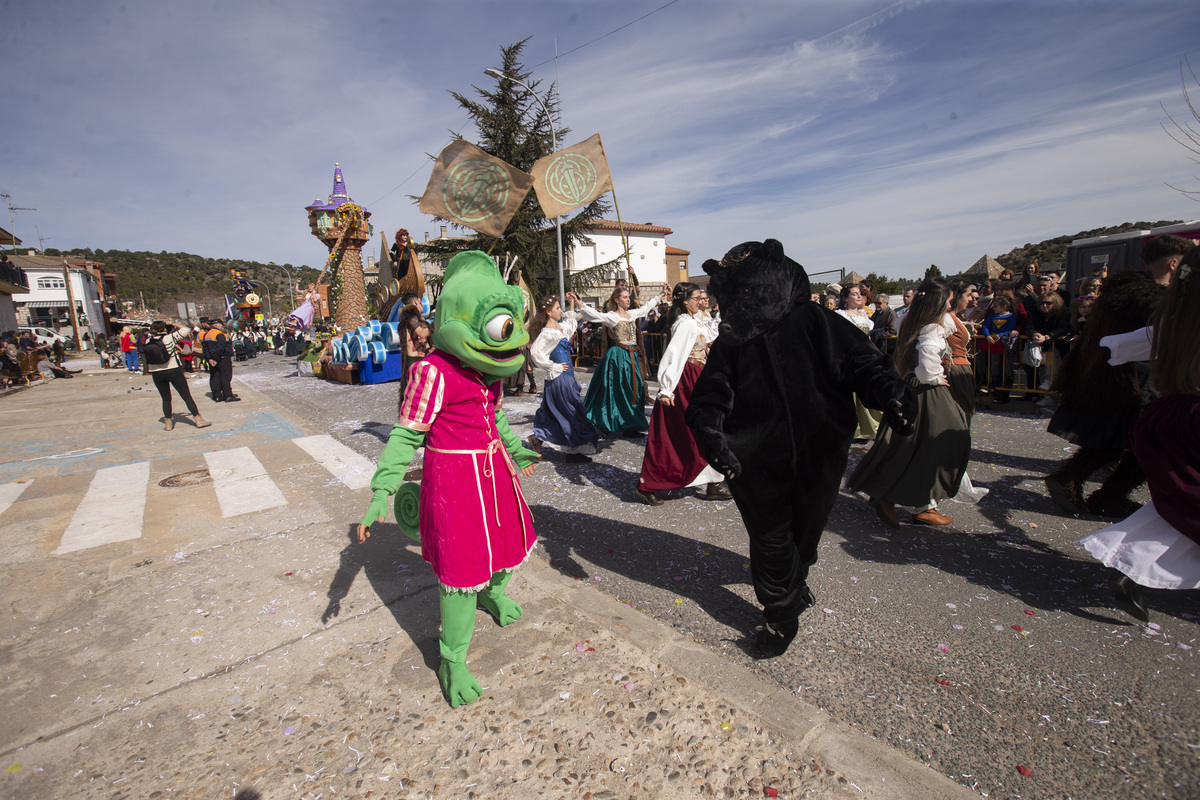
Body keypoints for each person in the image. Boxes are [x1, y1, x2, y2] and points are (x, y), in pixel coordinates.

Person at [686, 239, 916, 658]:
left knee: (806, 536)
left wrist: (892, 394)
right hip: (754, 456)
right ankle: (779, 615)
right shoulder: (732, 342)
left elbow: (862, 362)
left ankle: (795, 582)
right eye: (735, 294)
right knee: (771, 537)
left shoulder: (816, 322)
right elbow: (710, 395)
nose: (741, 302)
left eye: (749, 292)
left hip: (820, 448)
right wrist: (711, 433)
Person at [356, 251, 540, 708]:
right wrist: (383, 490)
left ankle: (494, 594)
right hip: (455, 481)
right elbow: (405, 435)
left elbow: (493, 418)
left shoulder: (486, 372)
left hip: (494, 472)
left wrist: (515, 449)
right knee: (460, 571)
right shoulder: (432, 372)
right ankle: (452, 658)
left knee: (507, 543)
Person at [1079, 245, 1200, 623]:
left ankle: (1131, 567)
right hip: (1186, 413)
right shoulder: (1174, 315)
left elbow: (1140, 341)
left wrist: (1110, 346)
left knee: (1186, 505)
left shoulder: (1176, 314)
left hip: (1176, 411)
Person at [1043, 235, 1191, 517]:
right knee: (1151, 443)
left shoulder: (1124, 291)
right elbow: (1165, 335)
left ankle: (1075, 479)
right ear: (1174, 263)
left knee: (1121, 438)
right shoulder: (1152, 297)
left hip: (1110, 376)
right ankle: (1106, 493)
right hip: (1135, 380)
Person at [847, 277, 971, 528]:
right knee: (941, 442)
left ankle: (897, 494)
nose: (950, 306)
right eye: (947, 302)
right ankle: (909, 499)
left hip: (910, 387)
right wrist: (937, 377)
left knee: (901, 444)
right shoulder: (933, 327)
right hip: (926, 391)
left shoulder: (910, 320)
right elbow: (926, 365)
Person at [635, 283, 728, 504]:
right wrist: (666, 388)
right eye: (697, 297)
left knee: (697, 430)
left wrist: (722, 313)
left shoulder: (693, 320)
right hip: (686, 380)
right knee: (692, 431)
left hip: (696, 377)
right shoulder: (685, 323)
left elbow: (710, 333)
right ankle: (658, 480)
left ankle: (712, 480)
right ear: (685, 300)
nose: (701, 301)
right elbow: (673, 355)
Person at [578, 283, 669, 436]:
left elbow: (646, 307)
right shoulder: (612, 316)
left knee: (635, 389)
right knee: (617, 388)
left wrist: (661, 294)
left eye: (628, 297)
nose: (628, 300)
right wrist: (578, 302)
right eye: (625, 297)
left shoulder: (632, 314)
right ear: (617, 300)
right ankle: (610, 421)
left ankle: (630, 424)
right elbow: (592, 315)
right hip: (619, 355)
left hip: (632, 355)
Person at [527, 293, 598, 462]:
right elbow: (535, 353)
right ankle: (572, 452)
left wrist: (571, 304)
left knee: (557, 412)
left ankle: (538, 438)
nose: (561, 310)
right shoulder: (547, 333)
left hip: (566, 376)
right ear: (549, 312)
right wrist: (553, 366)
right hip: (560, 378)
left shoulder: (560, 328)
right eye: (558, 308)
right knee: (571, 411)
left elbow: (571, 324)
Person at [144, 320, 212, 430]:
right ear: (164, 329)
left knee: (166, 398)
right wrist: (171, 323)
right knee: (186, 396)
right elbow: (186, 329)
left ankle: (168, 423)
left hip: (156, 372)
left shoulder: (148, 341)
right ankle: (198, 419)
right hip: (172, 370)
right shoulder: (169, 338)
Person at [835, 285, 882, 441]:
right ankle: (854, 428)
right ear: (845, 299)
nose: (858, 297)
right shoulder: (841, 315)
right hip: (851, 356)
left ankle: (871, 426)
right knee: (853, 391)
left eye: (860, 294)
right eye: (854, 294)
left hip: (867, 355)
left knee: (869, 387)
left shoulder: (864, 315)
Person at [978, 295, 1019, 402]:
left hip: (1005, 343)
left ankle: (1006, 389)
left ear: (1004, 306)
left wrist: (1000, 335)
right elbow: (986, 326)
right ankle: (994, 387)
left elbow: (1010, 328)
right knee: (994, 365)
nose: (993, 308)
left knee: (1007, 367)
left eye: (996, 306)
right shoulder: (992, 316)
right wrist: (987, 336)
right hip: (994, 343)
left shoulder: (1011, 316)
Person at [203, 319, 239, 402]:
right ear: (215, 325)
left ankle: (217, 396)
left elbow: (205, 349)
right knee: (226, 377)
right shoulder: (220, 334)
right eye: (220, 324)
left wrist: (209, 359)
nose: (222, 326)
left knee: (215, 377)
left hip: (212, 359)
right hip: (222, 358)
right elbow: (221, 348)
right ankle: (228, 395)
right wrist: (216, 359)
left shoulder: (207, 334)